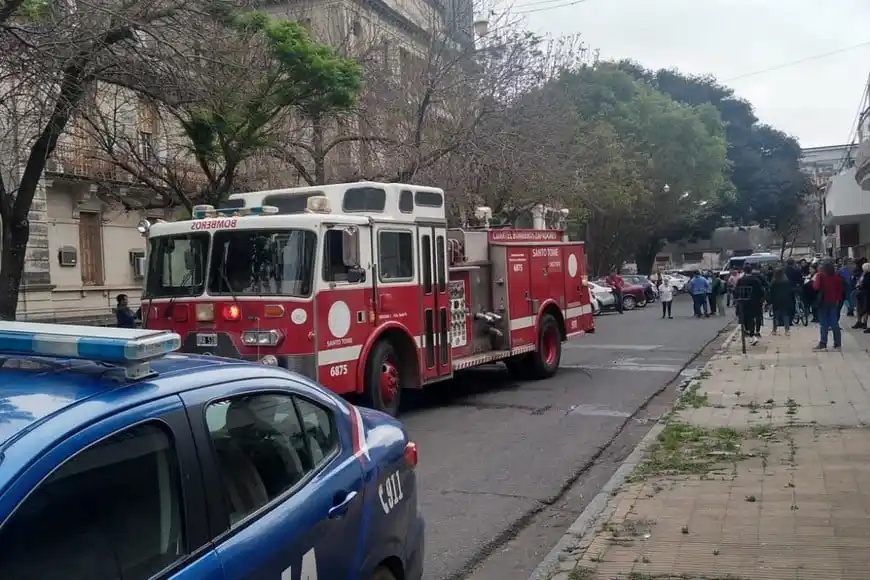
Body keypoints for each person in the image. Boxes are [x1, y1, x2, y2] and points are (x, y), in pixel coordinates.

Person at [813, 260, 844, 350]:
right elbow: (840, 290)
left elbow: (816, 287)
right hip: (834, 300)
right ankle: (837, 343)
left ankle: (823, 342)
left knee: (824, 323)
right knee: (834, 322)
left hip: (823, 301)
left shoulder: (820, 275)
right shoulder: (836, 277)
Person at [735, 264, 765, 345]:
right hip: (754, 302)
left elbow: (736, 291)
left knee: (746, 318)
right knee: (753, 318)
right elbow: (761, 290)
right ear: (751, 271)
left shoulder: (741, 280)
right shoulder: (755, 280)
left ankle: (750, 333)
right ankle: (754, 333)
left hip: (744, 302)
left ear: (744, 271)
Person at [769, 269, 793, 336]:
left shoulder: (773, 282)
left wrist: (770, 301)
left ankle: (774, 330)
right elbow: (790, 292)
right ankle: (787, 330)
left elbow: (771, 293)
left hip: (776, 301)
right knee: (785, 315)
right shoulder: (787, 282)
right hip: (785, 300)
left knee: (775, 316)